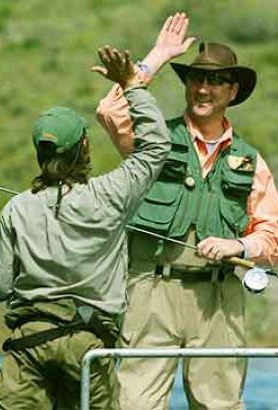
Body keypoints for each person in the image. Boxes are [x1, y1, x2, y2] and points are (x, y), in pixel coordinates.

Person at [96, 12, 278, 410]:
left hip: (220, 299)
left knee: (221, 406)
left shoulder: (252, 161)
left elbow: (271, 237)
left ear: (233, 91)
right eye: (196, 78)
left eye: (215, 81)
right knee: (134, 405)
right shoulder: (153, 140)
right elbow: (111, 111)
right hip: (150, 291)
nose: (203, 88)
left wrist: (238, 247)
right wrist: (156, 57)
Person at [0, 45, 171, 409]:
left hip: (29, 346)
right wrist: (132, 85)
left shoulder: (15, 208)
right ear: (84, 147)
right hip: (90, 346)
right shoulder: (111, 195)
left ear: (39, 154)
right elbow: (155, 148)